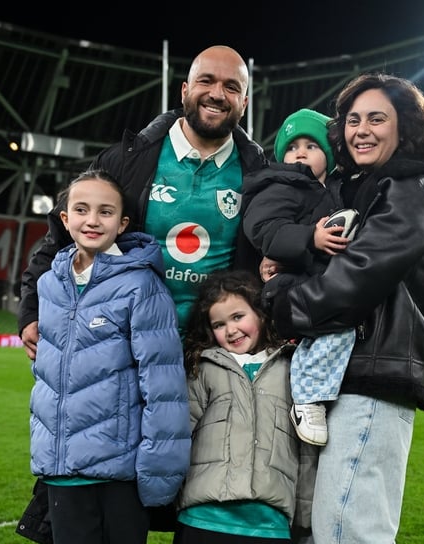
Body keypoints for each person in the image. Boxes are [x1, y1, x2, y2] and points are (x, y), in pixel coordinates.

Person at [265, 73, 424, 544]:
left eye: (377, 119)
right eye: (352, 120)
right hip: (333, 379)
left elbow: (354, 281)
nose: (361, 130)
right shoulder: (356, 189)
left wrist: (279, 303)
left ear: (407, 129)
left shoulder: (414, 188)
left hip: (372, 383)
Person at [18, 44, 267, 356]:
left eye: (231, 87)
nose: (217, 94)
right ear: (185, 90)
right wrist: (31, 309)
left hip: (213, 353)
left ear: (243, 103)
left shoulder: (259, 176)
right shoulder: (124, 160)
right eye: (206, 81)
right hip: (126, 346)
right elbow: (60, 235)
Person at [28, 169, 191, 544]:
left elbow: (163, 385)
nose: (92, 220)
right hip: (63, 471)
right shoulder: (49, 284)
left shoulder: (140, 284)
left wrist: (158, 471)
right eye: (81, 209)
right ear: (64, 218)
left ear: (123, 224)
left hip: (119, 474)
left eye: (106, 211)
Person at [145, 269, 303, 544]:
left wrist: (303, 511)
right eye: (219, 324)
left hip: (267, 508)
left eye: (238, 316)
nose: (230, 330)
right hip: (206, 509)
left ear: (260, 313)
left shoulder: (292, 365)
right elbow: (178, 430)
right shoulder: (203, 366)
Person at [242, 108, 356, 446]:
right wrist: (310, 238)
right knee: (338, 327)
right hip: (287, 286)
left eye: (312, 145)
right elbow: (263, 229)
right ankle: (307, 399)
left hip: (314, 280)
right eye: (292, 147)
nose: (300, 152)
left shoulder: (339, 189)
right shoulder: (281, 184)